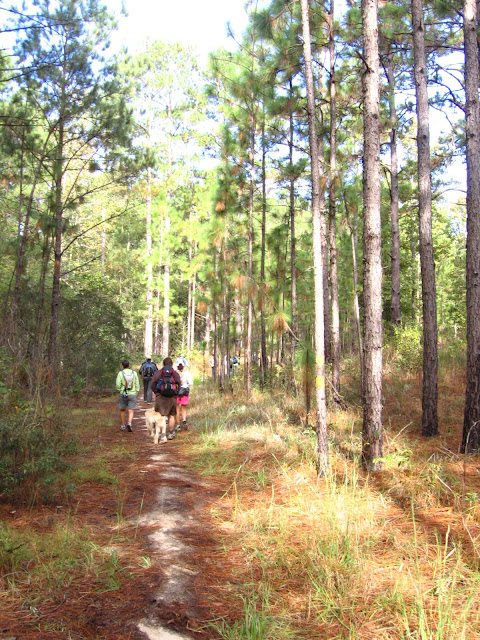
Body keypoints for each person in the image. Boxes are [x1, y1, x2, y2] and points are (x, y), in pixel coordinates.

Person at [150, 357, 181, 443]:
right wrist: (176, 394)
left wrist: (157, 393)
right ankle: (170, 433)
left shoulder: (158, 373)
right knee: (171, 415)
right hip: (172, 398)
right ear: (171, 364)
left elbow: (152, 384)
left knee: (160, 416)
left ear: (163, 364)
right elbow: (179, 383)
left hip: (161, 397)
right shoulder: (174, 373)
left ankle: (161, 434)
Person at [115, 359, 140, 432]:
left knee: (122, 410)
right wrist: (136, 391)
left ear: (122, 366)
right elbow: (137, 383)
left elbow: (118, 384)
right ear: (129, 365)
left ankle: (123, 425)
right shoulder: (134, 373)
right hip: (132, 394)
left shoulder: (120, 373)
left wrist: (120, 390)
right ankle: (129, 423)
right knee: (131, 410)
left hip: (123, 393)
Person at [175, 362, 193, 431]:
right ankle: (184, 421)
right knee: (184, 407)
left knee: (177, 408)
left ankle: (178, 425)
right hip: (185, 391)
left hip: (176, 392)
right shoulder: (187, 373)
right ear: (183, 366)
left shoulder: (174, 373)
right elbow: (190, 383)